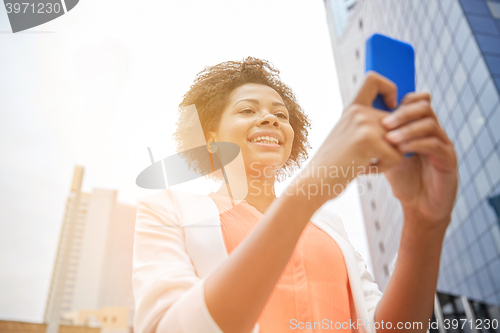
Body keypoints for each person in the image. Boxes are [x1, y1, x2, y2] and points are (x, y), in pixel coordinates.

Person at [132, 57, 458, 333]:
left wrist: (425, 221)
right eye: (247, 110)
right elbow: (168, 326)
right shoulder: (168, 210)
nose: (270, 118)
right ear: (212, 138)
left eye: (282, 115)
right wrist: (306, 191)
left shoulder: (330, 227)